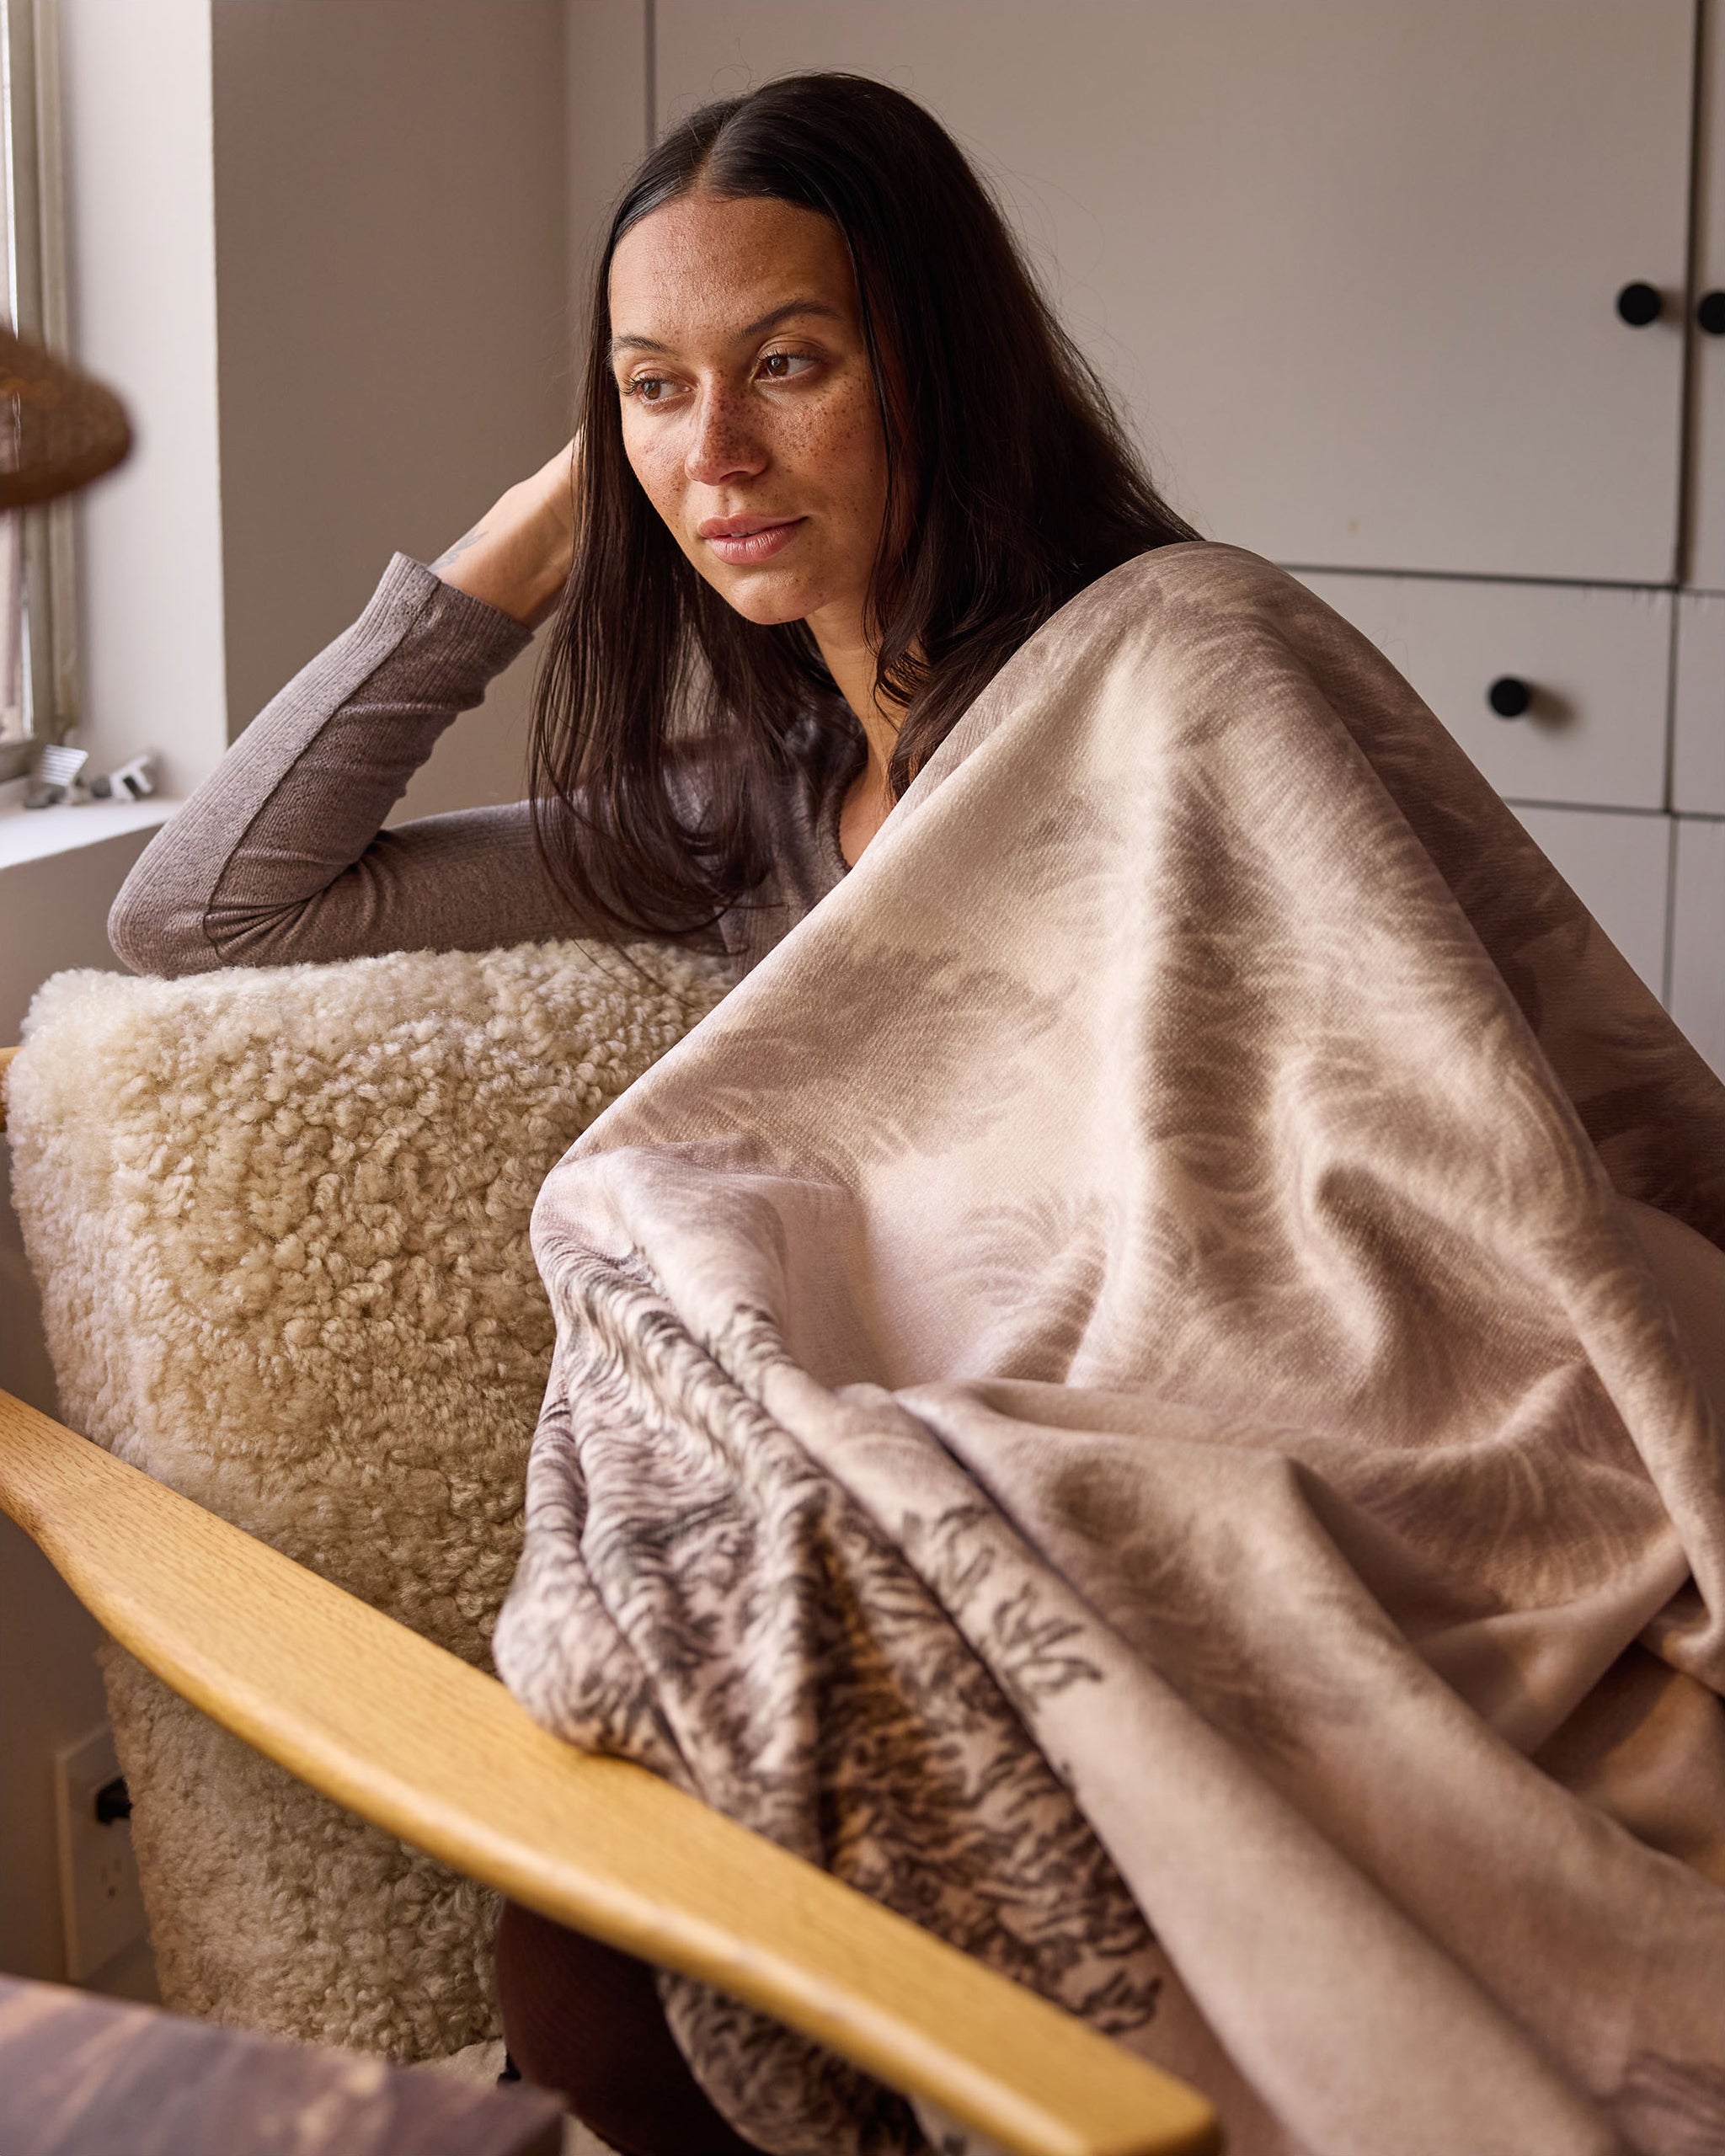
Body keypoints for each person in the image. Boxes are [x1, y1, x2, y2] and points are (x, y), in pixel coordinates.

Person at [106, 71, 1199, 2156]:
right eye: (653, 388)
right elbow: (206, 911)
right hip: (882, 1490)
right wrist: (587, 493)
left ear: (939, 371)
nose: (721, 451)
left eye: (790, 364)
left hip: (1161, 1468)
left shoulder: (1157, 686)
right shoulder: (744, 803)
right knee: (592, 1973)